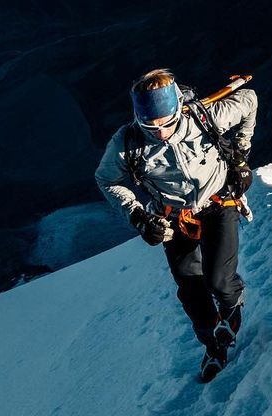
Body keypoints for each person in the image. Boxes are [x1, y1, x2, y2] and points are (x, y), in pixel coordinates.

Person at [95, 68, 258, 382]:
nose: (159, 131)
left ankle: (231, 301)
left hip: (216, 202)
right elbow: (106, 179)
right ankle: (213, 344)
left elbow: (248, 99)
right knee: (190, 288)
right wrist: (139, 216)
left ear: (177, 110)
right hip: (172, 217)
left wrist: (240, 152)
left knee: (217, 279)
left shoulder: (203, 117)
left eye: (167, 122)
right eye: (149, 125)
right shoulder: (126, 142)